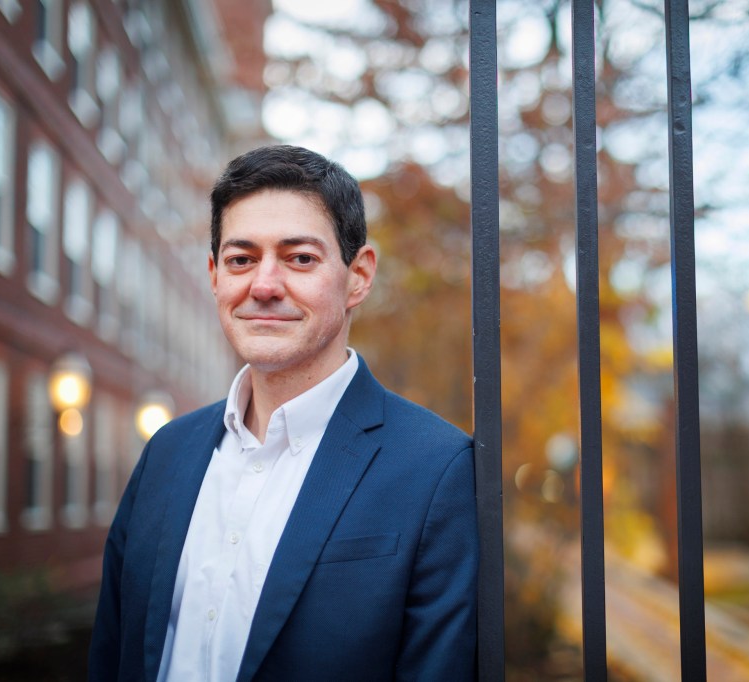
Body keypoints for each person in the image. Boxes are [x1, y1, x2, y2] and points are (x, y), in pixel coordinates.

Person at [88, 145, 478, 681]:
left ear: (358, 276)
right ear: (214, 275)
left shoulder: (435, 468)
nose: (264, 286)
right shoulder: (166, 452)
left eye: (299, 258)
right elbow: (111, 653)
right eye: (241, 259)